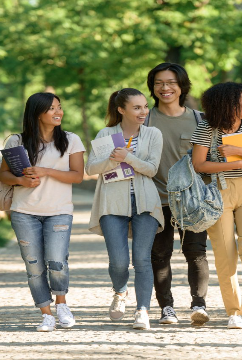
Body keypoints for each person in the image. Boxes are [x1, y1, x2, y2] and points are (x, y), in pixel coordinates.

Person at [0, 92, 85, 332]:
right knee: (34, 266)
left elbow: (78, 176)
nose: (58, 112)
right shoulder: (16, 141)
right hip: (24, 212)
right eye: (51, 108)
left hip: (59, 211)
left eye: (59, 107)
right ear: (37, 113)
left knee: (57, 261)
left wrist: (46, 171)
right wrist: (21, 181)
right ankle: (46, 313)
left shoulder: (70, 140)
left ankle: (62, 304)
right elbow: (3, 175)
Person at [191, 82, 242, 329]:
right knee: (225, 254)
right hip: (218, 192)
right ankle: (234, 312)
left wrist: (238, 150)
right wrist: (236, 164)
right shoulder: (206, 128)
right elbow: (199, 165)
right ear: (230, 105)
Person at [86, 88, 164, 330]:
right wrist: (112, 159)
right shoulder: (106, 133)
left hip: (145, 202)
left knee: (142, 259)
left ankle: (143, 310)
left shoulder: (153, 134)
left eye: (144, 106)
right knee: (119, 262)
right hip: (112, 202)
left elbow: (151, 169)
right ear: (121, 110)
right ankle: (120, 291)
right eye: (137, 107)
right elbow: (90, 168)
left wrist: (128, 157)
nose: (143, 111)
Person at [145, 63, 210, 326]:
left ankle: (199, 305)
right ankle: (166, 308)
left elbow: (211, 158)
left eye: (170, 82)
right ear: (152, 88)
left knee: (196, 252)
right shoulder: (144, 119)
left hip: (192, 201)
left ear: (182, 86)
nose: (165, 88)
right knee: (159, 255)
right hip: (155, 199)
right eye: (159, 83)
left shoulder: (199, 119)